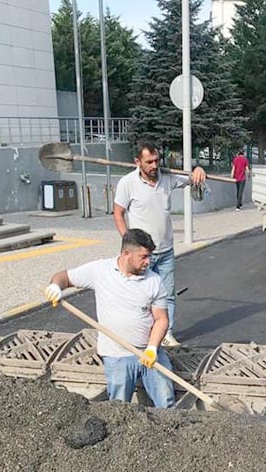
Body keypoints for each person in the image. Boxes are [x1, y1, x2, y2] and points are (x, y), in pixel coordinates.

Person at [44, 229, 176, 408]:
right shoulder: (100, 271)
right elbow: (63, 277)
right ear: (126, 254)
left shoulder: (153, 281)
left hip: (150, 354)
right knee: (118, 408)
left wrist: (152, 348)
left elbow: (161, 319)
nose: (148, 262)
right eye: (143, 257)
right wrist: (55, 287)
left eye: (149, 257)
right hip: (117, 355)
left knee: (166, 402)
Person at [113, 140, 206, 347]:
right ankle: (138, 336)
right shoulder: (127, 183)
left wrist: (198, 170)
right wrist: (128, 243)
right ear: (137, 161)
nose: (154, 166)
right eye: (149, 162)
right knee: (140, 296)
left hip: (166, 251)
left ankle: (166, 334)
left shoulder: (168, 177)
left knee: (167, 295)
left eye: (156, 160)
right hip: (142, 253)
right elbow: (118, 213)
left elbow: (193, 179)